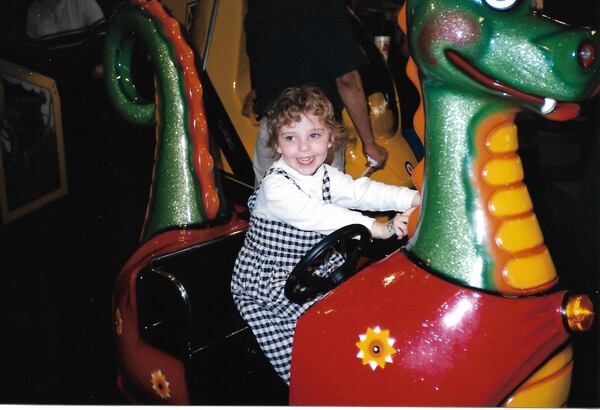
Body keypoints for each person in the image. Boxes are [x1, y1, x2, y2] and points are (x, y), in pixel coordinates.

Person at [231, 86, 420, 384]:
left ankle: (363, 371)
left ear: (331, 139)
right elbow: (319, 216)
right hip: (271, 284)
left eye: (314, 136)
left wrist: (412, 198)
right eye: (291, 138)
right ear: (278, 144)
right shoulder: (276, 187)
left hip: (314, 271)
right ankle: (315, 386)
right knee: (307, 352)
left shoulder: (325, 174)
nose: (304, 148)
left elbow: (362, 191)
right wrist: (379, 228)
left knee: (365, 308)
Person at [243, 0, 389, 186]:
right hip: (316, 129)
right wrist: (369, 143)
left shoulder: (259, 6)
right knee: (321, 206)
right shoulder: (328, 6)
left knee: (268, 204)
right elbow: (347, 79)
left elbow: (270, 61)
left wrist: (260, 91)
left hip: (274, 128)